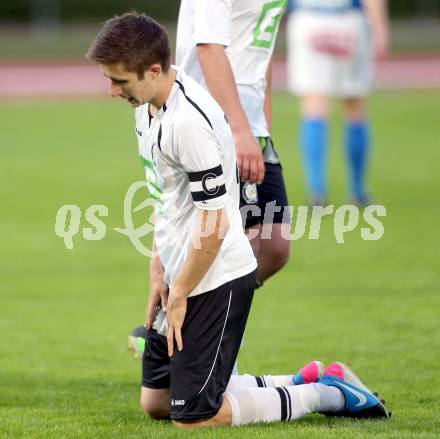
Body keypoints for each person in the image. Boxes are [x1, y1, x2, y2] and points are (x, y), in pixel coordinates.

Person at [87, 12, 389, 428]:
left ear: (153, 70)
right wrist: (158, 268)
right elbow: (164, 199)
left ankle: (328, 394)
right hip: (181, 267)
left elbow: (214, 223)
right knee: (157, 402)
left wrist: (181, 296)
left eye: (119, 81)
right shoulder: (147, 107)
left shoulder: (189, 121)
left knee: (192, 417)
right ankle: (304, 379)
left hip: (216, 275)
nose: (112, 90)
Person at [129, 0, 292, 360]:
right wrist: (238, 128)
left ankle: (185, 326)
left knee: (276, 246)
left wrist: (259, 125)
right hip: (212, 123)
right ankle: (192, 348)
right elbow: (208, 48)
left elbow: (256, 53)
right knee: (238, 247)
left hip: (249, 125)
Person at [286, 0, 389, 205]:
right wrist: (380, 27)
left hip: (307, 19)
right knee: (354, 105)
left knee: (314, 106)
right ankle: (357, 190)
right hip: (348, 20)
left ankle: (316, 189)